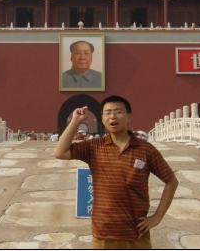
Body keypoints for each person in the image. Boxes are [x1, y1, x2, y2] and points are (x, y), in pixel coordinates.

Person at [54, 95, 178, 249]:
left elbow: (171, 181)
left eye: (118, 111)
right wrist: (75, 121)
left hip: (136, 234)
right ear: (102, 119)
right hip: (103, 234)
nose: (112, 116)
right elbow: (60, 153)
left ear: (129, 117)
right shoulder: (94, 147)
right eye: (107, 112)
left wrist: (157, 216)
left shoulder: (146, 149)